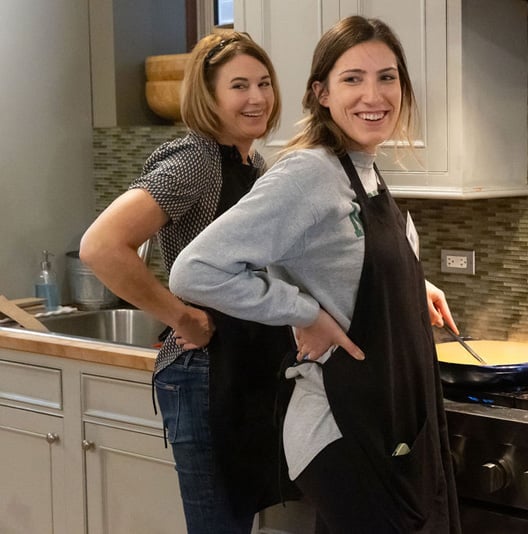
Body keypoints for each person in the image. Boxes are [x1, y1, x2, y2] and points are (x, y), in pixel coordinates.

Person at [169, 16, 462, 534]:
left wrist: (414, 286)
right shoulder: (309, 172)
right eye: (353, 79)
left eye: (387, 77)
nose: (374, 94)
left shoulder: (366, 167)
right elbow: (195, 271)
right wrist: (304, 312)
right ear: (321, 93)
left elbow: (343, 258)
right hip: (341, 424)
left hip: (387, 420)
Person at [79, 30, 297, 533]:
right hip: (203, 374)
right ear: (209, 96)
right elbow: (101, 245)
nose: (258, 97)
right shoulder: (195, 160)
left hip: (242, 370)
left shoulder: (250, 162)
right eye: (239, 86)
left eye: (263, 83)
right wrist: (180, 316)